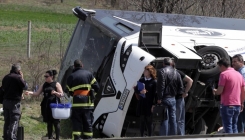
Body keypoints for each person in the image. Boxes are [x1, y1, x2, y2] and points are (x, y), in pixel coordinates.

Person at [25, 70, 63, 140]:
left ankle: (57, 138)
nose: (45, 78)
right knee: (49, 122)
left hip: (55, 106)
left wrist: (55, 93)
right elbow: (37, 93)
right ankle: (50, 137)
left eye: (46, 76)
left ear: (51, 77)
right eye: (45, 76)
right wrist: (30, 92)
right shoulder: (44, 84)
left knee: (56, 122)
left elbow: (61, 95)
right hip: (46, 105)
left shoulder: (56, 84)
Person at [66, 59, 100, 140]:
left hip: (76, 105)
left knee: (76, 123)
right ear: (82, 65)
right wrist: (92, 95)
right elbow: (97, 87)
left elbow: (69, 92)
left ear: (74, 66)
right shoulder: (89, 74)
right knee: (88, 124)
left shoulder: (71, 77)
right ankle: (88, 138)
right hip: (87, 105)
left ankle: (77, 138)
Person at [213, 58, 245, 133]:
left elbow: (220, 91)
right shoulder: (239, 75)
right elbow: (243, 91)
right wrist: (241, 103)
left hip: (227, 104)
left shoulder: (224, 74)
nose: (219, 69)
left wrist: (215, 91)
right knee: (235, 126)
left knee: (228, 126)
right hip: (237, 104)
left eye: (219, 67)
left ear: (222, 66)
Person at [157, 57, 183, 136]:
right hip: (173, 98)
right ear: (171, 63)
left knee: (164, 118)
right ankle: (172, 136)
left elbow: (161, 86)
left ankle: (164, 137)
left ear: (163, 63)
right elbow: (181, 87)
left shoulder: (161, 71)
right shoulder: (176, 72)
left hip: (164, 98)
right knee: (173, 119)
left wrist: (159, 98)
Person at [1, 63, 28, 140]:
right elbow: (25, 86)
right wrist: (22, 77)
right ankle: (12, 137)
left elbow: (3, 89)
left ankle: (6, 137)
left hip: (5, 101)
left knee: (7, 121)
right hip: (14, 102)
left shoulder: (6, 77)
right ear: (18, 70)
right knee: (15, 120)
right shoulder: (18, 77)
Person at [134, 65, 157, 137]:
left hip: (149, 103)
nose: (144, 72)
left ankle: (150, 136)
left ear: (150, 72)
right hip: (142, 102)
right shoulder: (141, 80)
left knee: (149, 121)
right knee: (142, 120)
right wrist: (140, 92)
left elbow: (155, 94)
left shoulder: (154, 81)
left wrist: (154, 104)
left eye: (146, 71)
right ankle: (142, 136)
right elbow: (136, 89)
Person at [171, 60, 193, 135]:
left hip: (178, 99)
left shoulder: (178, 73)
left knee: (178, 119)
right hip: (177, 98)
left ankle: (179, 136)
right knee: (179, 119)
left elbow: (190, 81)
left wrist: (185, 92)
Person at [232, 54, 245, 133]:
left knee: (240, 121)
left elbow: (243, 88)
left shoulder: (241, 72)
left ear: (241, 61)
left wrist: (241, 101)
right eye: (232, 62)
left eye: (235, 61)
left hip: (243, 99)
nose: (233, 63)